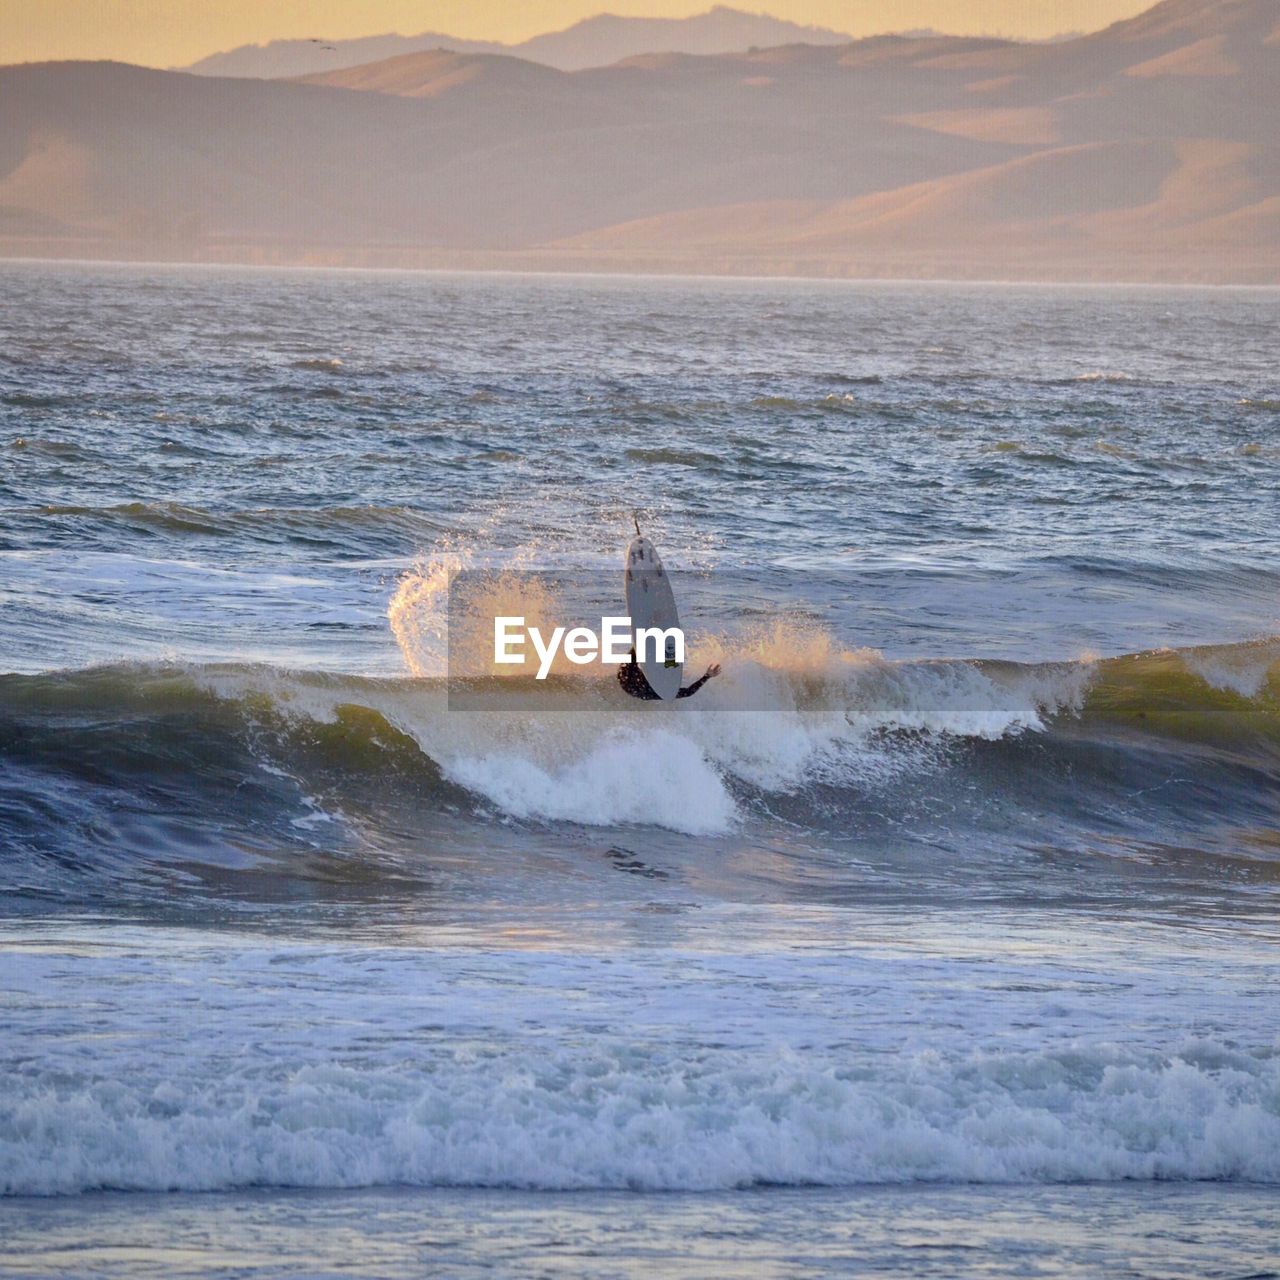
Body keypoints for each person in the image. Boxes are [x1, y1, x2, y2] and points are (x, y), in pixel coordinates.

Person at [617, 646, 721, 700]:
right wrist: (706, 676)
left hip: (627, 682)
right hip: (633, 684)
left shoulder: (660, 691)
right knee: (639, 652)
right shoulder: (661, 688)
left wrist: (707, 676)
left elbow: (687, 692)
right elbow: (688, 692)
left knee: (638, 651)